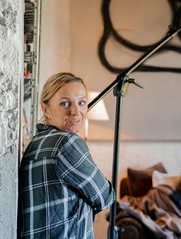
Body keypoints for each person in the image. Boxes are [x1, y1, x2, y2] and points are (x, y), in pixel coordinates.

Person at [19, 72, 115, 238]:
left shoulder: (36, 142)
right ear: (45, 108)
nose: (75, 111)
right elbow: (105, 197)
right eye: (65, 103)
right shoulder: (67, 142)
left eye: (82, 103)